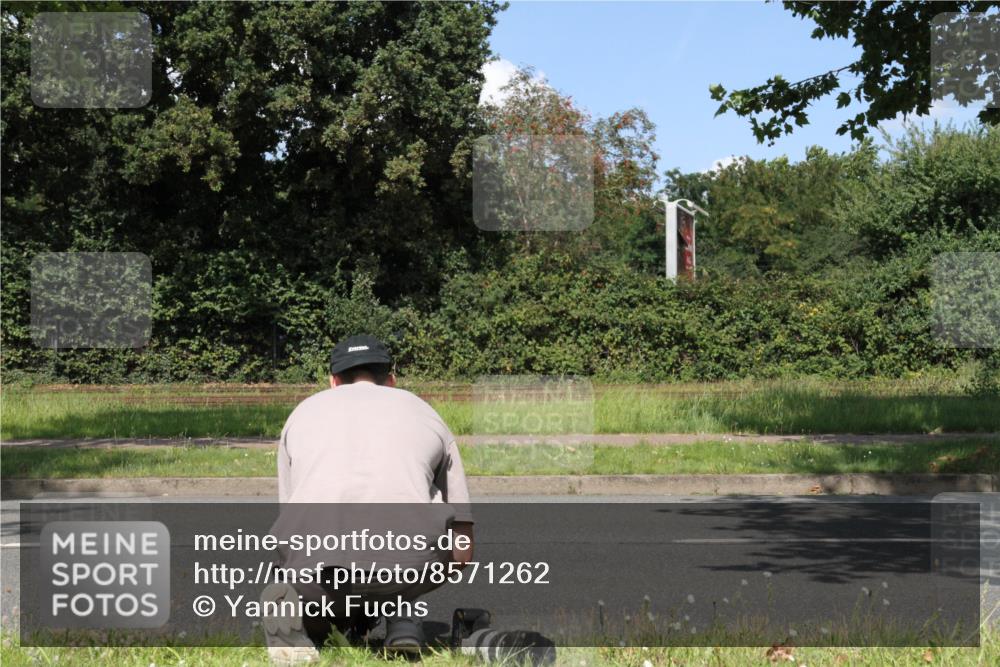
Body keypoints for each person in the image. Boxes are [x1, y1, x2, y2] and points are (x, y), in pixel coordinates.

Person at [263, 334, 474, 664]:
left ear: (333, 381)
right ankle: (402, 614)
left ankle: (302, 623)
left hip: (318, 575)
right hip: (407, 571)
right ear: (390, 380)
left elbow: (291, 520)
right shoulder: (426, 413)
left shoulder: (301, 414)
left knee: (301, 577)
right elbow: (463, 548)